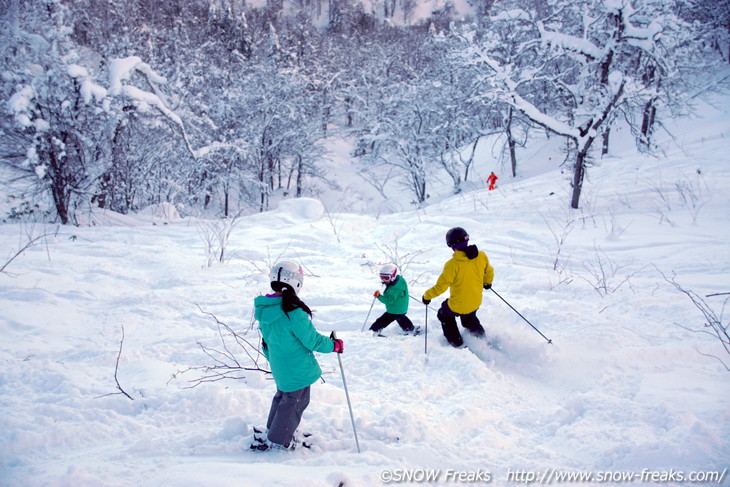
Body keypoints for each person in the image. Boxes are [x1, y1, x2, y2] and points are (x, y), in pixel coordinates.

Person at [251, 260, 344, 452]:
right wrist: (334, 345)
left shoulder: (266, 310)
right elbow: (312, 341)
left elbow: (267, 343)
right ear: (296, 282)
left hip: (280, 366)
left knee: (282, 398)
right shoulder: (292, 312)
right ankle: (279, 439)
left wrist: (275, 362)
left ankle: (272, 430)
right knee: (294, 404)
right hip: (297, 369)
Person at [421, 227, 494, 348]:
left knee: (444, 314)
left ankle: (457, 343)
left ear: (452, 245)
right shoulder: (481, 256)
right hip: (475, 301)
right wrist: (487, 283)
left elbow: (441, 286)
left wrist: (427, 296)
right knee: (469, 319)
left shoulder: (452, 264)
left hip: (458, 304)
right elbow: (489, 271)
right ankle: (483, 340)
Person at [369, 263, 419, 336]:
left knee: (382, 320)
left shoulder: (394, 289)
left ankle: (374, 330)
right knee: (401, 318)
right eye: (382, 277)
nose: (384, 280)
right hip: (400, 307)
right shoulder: (399, 281)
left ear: (392, 276)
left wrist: (379, 296)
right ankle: (410, 329)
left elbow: (388, 300)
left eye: (386, 278)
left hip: (394, 310)